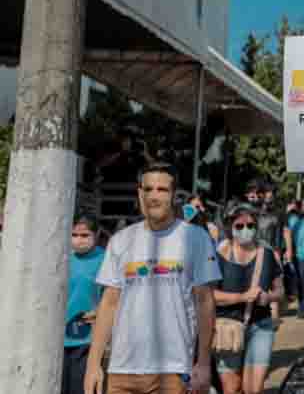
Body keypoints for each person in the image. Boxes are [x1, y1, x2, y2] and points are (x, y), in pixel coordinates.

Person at [84, 162, 221, 394]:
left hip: (172, 370)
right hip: (121, 370)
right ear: (139, 193)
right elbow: (109, 303)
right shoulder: (120, 240)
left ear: (174, 195)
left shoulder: (196, 238)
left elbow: (205, 302)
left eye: (162, 190)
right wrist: (93, 365)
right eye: (148, 189)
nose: (153, 196)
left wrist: (204, 362)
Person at [214, 203, 284, 394]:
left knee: (253, 389)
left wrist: (268, 297)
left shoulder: (267, 254)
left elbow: (280, 291)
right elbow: (209, 295)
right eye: (239, 226)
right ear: (230, 227)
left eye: (251, 225)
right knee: (232, 388)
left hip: (261, 326)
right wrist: (242, 297)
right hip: (227, 327)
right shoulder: (218, 254)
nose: (246, 230)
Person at [63, 217, 106, 394]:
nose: (78, 240)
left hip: (87, 339)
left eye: (84, 235)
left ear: (96, 235)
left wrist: (99, 313)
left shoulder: (105, 259)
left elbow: (113, 297)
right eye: (74, 235)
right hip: (58, 338)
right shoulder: (62, 257)